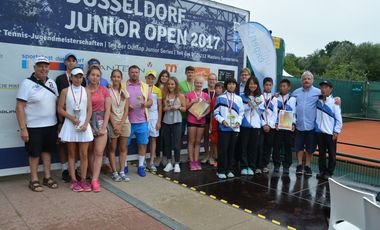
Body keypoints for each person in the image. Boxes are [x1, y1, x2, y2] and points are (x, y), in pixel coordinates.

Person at [16, 56, 59, 192]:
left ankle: (47, 177)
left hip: (51, 125)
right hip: (33, 126)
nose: (43, 69)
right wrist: (23, 128)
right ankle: (34, 179)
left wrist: (59, 125)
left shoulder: (52, 82)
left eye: (46, 66)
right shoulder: (26, 83)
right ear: (34, 68)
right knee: (34, 154)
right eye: (40, 66)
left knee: (47, 152)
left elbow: (57, 103)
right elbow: (19, 107)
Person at [58, 68, 93, 192]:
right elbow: (60, 109)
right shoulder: (65, 91)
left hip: (83, 126)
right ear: (71, 78)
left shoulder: (86, 91)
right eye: (76, 77)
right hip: (70, 124)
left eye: (80, 77)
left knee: (83, 155)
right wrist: (71, 118)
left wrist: (86, 124)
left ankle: (83, 180)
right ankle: (73, 180)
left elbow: (90, 109)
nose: (78, 79)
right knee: (72, 154)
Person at [56, 53, 85, 183]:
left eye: (74, 60)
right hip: (65, 118)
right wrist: (60, 120)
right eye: (69, 60)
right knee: (64, 144)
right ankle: (64, 169)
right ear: (65, 63)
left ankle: (75, 170)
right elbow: (57, 101)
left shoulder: (82, 81)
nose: (71, 62)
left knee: (77, 145)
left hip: (79, 118)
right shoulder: (60, 78)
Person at [124, 65, 153, 177]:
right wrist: (127, 107)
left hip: (142, 121)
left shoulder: (145, 86)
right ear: (129, 73)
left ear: (139, 73)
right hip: (127, 121)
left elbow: (150, 101)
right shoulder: (123, 86)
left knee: (142, 144)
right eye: (132, 72)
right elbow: (119, 102)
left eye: (136, 72)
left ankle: (141, 166)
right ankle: (124, 165)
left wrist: (146, 104)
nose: (134, 74)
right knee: (124, 145)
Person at [87, 65, 111, 192]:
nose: (95, 77)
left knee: (99, 152)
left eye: (97, 75)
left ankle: (95, 180)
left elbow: (108, 110)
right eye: (93, 75)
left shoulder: (104, 90)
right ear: (88, 76)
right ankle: (91, 175)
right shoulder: (84, 90)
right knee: (89, 152)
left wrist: (103, 126)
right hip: (87, 123)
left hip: (101, 122)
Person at [214, 77, 244, 179]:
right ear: (226, 85)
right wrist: (222, 120)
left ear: (236, 86)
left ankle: (230, 169)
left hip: (235, 128)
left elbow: (241, 113)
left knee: (232, 150)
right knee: (223, 149)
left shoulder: (239, 99)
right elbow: (216, 113)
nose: (232, 85)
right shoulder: (220, 98)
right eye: (229, 84)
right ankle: (221, 170)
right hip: (224, 128)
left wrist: (238, 122)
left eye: (233, 84)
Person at [315, 80, 342, 180]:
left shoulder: (334, 102)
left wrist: (336, 131)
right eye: (322, 87)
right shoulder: (318, 100)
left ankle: (329, 172)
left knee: (332, 153)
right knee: (321, 154)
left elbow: (339, 119)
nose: (323, 89)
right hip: (319, 132)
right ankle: (322, 171)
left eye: (326, 87)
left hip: (330, 134)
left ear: (330, 89)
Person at [108, 69, 131, 182]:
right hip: (112, 123)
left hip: (124, 123)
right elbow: (108, 110)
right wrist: (114, 125)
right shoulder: (107, 91)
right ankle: (114, 172)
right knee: (112, 148)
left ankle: (122, 171)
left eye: (118, 77)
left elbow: (126, 110)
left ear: (121, 79)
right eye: (114, 76)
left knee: (123, 148)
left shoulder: (124, 92)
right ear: (111, 78)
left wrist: (121, 124)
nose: (116, 79)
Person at [240, 76, 265, 176]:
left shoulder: (261, 97)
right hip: (245, 124)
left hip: (256, 126)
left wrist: (254, 103)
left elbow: (262, 110)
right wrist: (248, 105)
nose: (252, 86)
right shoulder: (242, 96)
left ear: (257, 85)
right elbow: (241, 109)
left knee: (253, 147)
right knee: (244, 146)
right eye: (250, 83)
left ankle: (251, 166)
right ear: (247, 85)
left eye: (254, 84)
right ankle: (243, 166)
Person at [162, 77, 187, 173]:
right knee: (167, 143)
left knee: (176, 144)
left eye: (172, 84)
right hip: (166, 121)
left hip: (177, 121)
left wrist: (179, 107)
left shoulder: (180, 95)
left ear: (176, 85)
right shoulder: (165, 95)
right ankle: (169, 163)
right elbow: (163, 108)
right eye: (168, 84)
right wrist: (166, 108)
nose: (170, 86)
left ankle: (176, 163)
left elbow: (185, 108)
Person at [185, 76, 210, 171]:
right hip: (191, 120)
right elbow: (186, 107)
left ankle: (196, 160)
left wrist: (203, 115)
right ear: (194, 83)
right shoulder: (189, 94)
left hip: (201, 120)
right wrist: (192, 101)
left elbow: (208, 109)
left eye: (200, 83)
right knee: (191, 141)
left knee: (198, 141)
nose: (199, 85)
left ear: (202, 84)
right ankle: (191, 161)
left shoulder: (205, 95)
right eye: (197, 83)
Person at [273, 79, 296, 174]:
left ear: (289, 87)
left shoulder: (293, 99)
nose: (282, 88)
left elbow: (295, 113)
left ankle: (286, 166)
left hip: (288, 126)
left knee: (288, 147)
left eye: (285, 86)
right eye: (281, 86)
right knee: (276, 147)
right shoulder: (275, 98)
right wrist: (275, 123)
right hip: (278, 127)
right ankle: (276, 165)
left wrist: (293, 124)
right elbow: (273, 113)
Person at [145, 70, 162, 172]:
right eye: (149, 78)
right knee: (143, 140)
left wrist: (159, 121)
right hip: (143, 117)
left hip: (154, 117)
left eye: (152, 78)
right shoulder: (142, 87)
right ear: (146, 78)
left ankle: (151, 162)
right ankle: (142, 161)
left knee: (153, 139)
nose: (150, 80)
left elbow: (160, 106)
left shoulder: (157, 90)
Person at [261, 77, 278, 173]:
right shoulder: (259, 97)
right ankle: (258, 165)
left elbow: (275, 113)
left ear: (272, 86)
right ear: (263, 85)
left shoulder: (275, 99)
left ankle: (265, 164)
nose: (268, 86)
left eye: (270, 85)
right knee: (260, 145)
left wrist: (269, 125)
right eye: (266, 85)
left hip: (270, 127)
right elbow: (258, 112)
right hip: (261, 126)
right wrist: (264, 124)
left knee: (268, 146)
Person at [154, 70, 170, 167]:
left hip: (167, 115)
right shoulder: (154, 87)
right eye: (162, 76)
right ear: (160, 77)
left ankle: (164, 157)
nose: (164, 78)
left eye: (166, 76)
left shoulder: (170, 87)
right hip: (156, 115)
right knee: (157, 137)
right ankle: (157, 156)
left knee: (165, 137)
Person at [201, 73, 217, 165]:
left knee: (213, 139)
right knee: (206, 138)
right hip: (206, 117)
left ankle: (212, 156)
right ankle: (206, 155)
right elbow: (201, 105)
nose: (212, 81)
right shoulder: (204, 91)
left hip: (215, 119)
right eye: (210, 79)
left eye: (214, 79)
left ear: (216, 81)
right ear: (208, 81)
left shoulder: (219, 91)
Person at [209, 82, 224, 167]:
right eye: (216, 88)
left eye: (220, 88)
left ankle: (222, 159)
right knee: (214, 141)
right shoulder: (214, 99)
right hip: (215, 122)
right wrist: (211, 124)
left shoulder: (225, 98)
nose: (218, 90)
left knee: (222, 142)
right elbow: (211, 112)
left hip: (223, 123)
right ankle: (216, 158)